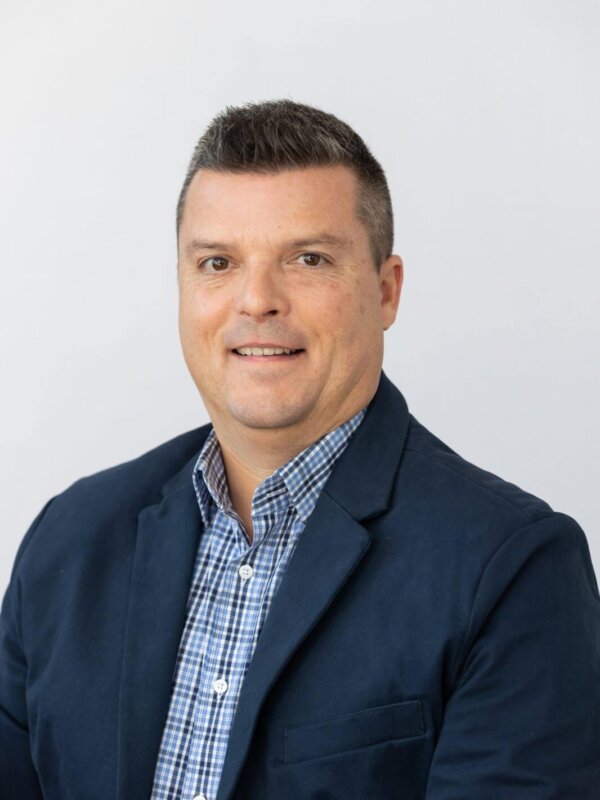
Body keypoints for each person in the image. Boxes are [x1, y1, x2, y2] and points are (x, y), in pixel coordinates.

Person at [1, 99, 599, 800]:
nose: (257, 300)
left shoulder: (512, 569)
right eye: (218, 262)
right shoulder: (70, 540)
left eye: (308, 259)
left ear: (385, 291)